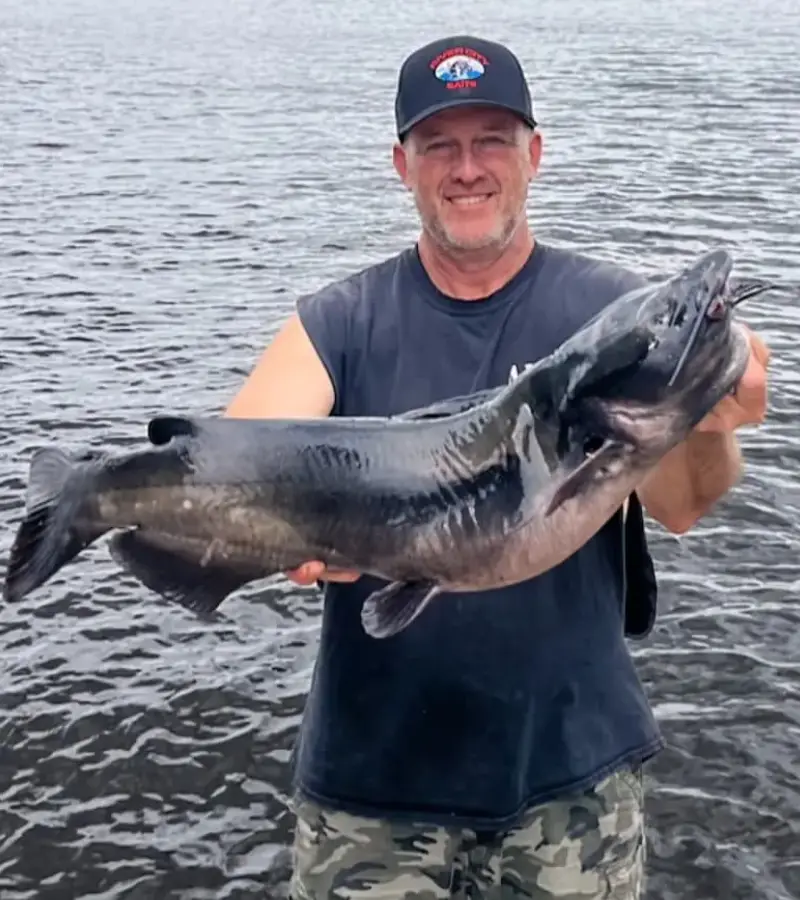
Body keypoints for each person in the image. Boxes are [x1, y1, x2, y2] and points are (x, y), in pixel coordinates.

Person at [225, 34, 771, 900]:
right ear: (400, 165)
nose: (466, 168)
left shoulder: (608, 318)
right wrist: (260, 527)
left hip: (574, 778)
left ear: (534, 154)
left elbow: (683, 508)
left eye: (491, 141)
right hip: (374, 794)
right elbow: (236, 456)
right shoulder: (339, 323)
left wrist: (706, 416)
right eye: (439, 144)